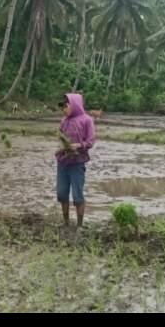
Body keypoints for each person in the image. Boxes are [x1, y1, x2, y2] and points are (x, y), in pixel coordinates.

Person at [56, 93, 96, 228]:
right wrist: (62, 147)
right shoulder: (63, 121)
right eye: (62, 108)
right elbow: (61, 138)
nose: (64, 110)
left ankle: (79, 226)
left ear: (74, 105)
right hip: (62, 162)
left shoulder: (86, 120)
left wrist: (78, 145)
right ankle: (65, 223)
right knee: (62, 193)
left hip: (77, 163)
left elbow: (90, 141)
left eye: (66, 106)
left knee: (77, 195)